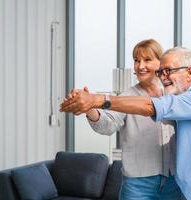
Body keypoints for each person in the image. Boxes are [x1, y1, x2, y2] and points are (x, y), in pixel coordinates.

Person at [60, 46, 191, 200]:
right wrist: (90, 107)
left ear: (190, 72)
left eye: (168, 71)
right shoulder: (145, 97)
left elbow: (152, 107)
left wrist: (96, 100)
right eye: (162, 72)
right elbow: (111, 123)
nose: (163, 77)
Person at [64, 39, 184, 200]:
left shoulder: (173, 94)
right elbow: (107, 125)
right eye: (136, 60)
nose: (140, 66)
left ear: (160, 63)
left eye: (147, 60)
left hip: (173, 182)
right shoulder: (127, 96)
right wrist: (90, 108)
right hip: (138, 186)